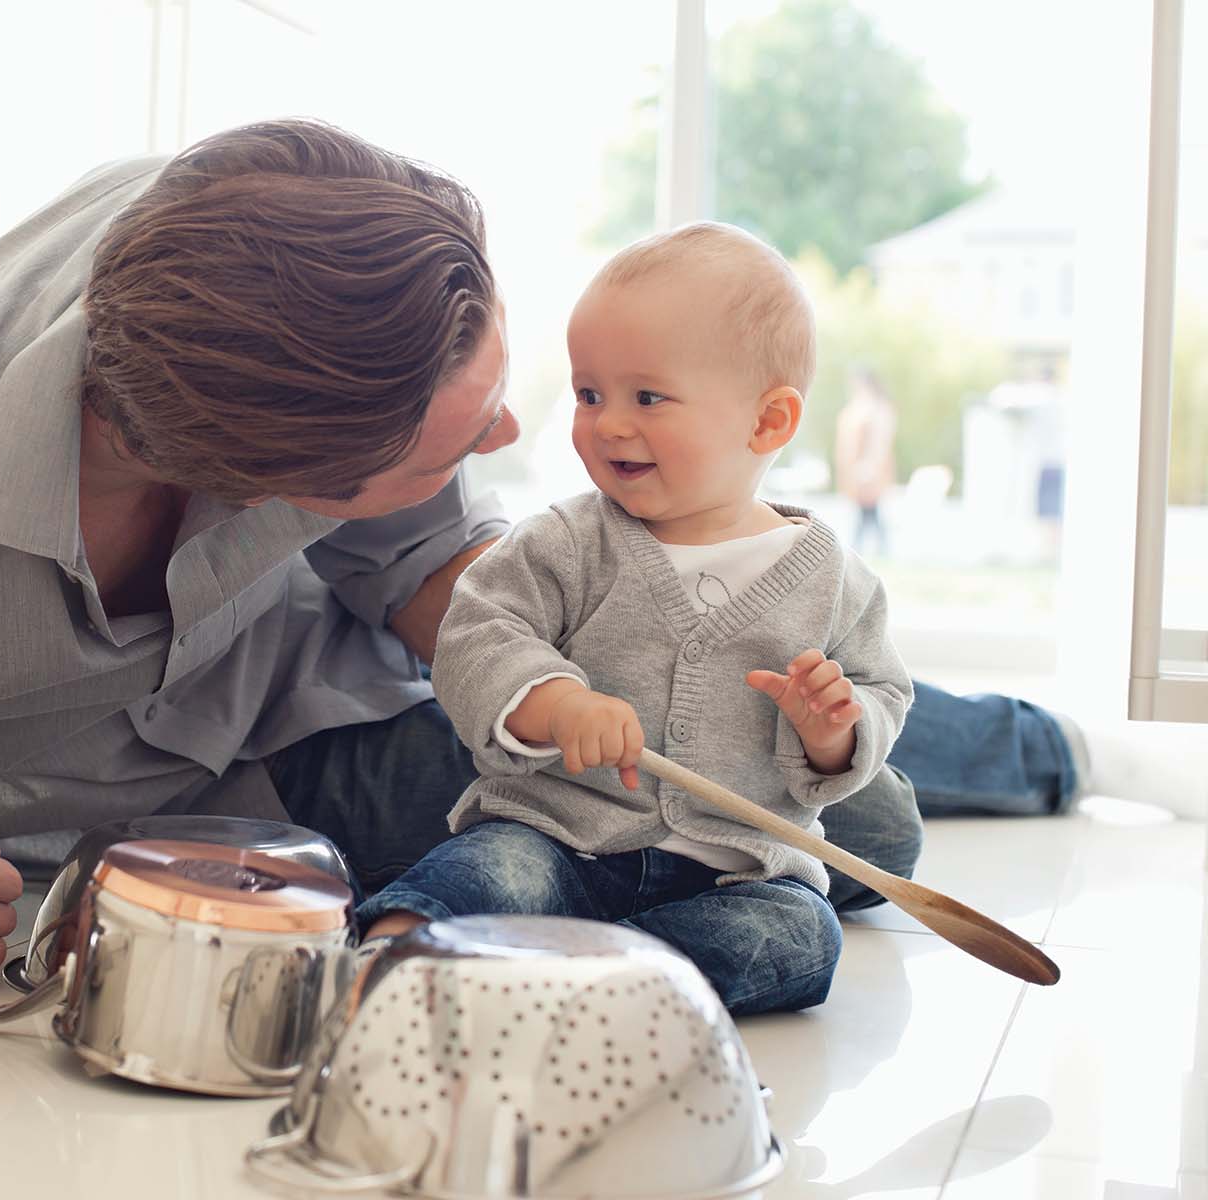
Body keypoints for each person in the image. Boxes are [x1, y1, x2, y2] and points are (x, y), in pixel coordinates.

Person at [0, 121, 1079, 975]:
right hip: (200, 813)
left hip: (401, 686)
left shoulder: (283, 244)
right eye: (462, 431)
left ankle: (1053, 746)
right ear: (274, 481)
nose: (516, 445)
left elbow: (439, 569)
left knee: (849, 791)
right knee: (806, 865)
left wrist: (543, 664)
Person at [355, 223, 905, 1015]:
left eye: (647, 397)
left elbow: (882, 690)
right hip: (563, 836)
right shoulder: (569, 540)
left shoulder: (835, 580)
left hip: (736, 870)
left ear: (767, 424)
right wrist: (553, 701)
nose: (608, 423)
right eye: (589, 395)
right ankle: (393, 960)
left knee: (799, 939)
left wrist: (833, 735)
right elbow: (478, 629)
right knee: (494, 870)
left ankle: (604, 994)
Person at [833, 366, 896, 556]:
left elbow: (879, 444)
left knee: (868, 510)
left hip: (866, 469)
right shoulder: (860, 408)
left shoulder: (874, 410)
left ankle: (864, 549)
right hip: (857, 469)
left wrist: (869, 468)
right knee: (867, 512)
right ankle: (868, 548)